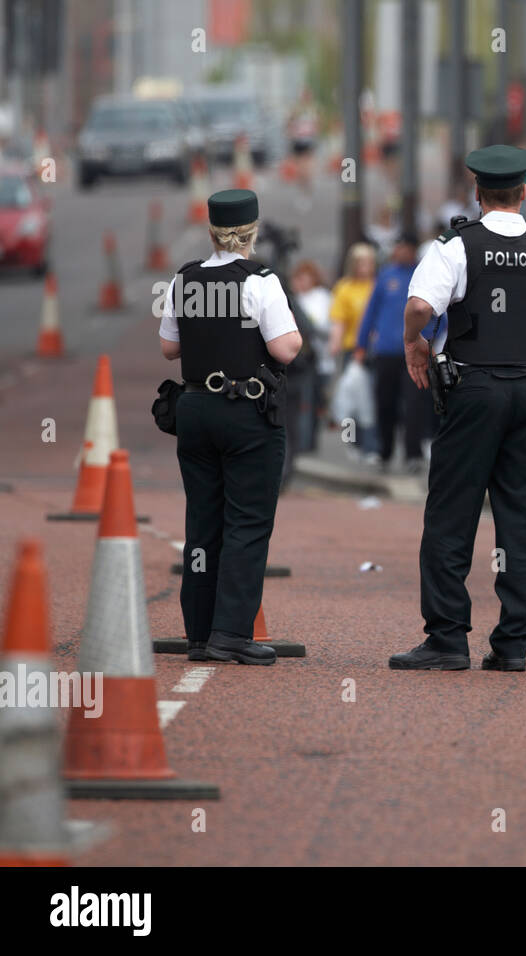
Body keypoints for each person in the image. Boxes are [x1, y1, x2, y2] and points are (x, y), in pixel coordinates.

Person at [388, 145, 526, 673]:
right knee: (523, 518)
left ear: (477, 193)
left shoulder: (455, 247)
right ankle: (512, 644)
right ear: (523, 193)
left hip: (472, 391)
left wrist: (416, 341)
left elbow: (418, 306)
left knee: (451, 514)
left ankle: (447, 639)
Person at [159, 188, 303, 665]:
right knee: (247, 522)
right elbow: (286, 349)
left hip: (195, 409)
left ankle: (199, 634)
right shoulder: (260, 280)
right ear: (252, 232)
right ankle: (231, 633)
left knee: (203, 521)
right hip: (246, 412)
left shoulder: (185, 279)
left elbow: (169, 349)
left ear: (211, 233)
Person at [354, 233, 433, 474]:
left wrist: (431, 339)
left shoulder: (424, 276)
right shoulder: (386, 275)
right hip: (386, 350)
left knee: (414, 405)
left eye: (403, 247)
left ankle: (413, 454)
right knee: (384, 402)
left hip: (416, 353)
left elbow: (437, 312)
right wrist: (361, 344)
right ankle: (383, 450)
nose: (399, 252)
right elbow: (371, 312)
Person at [330, 242, 378, 460]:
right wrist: (335, 344)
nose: (365, 267)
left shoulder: (378, 286)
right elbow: (339, 320)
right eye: (361, 263)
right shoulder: (345, 287)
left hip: (375, 350)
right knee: (350, 399)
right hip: (352, 349)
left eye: (369, 262)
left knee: (371, 398)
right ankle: (350, 441)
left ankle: (371, 445)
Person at [290, 260, 333, 454]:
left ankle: (310, 442)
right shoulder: (292, 298)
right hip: (300, 362)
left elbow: (324, 325)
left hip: (321, 359)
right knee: (304, 402)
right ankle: (303, 443)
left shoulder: (322, 298)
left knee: (317, 402)